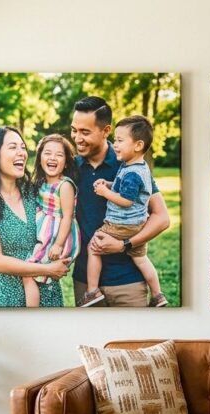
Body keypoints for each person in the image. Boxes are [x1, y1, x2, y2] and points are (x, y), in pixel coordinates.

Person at [70, 96, 171, 307]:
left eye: (85, 132)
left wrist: (124, 245)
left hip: (128, 282)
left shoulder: (129, 165)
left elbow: (162, 218)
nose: (77, 138)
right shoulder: (71, 168)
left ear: (106, 131)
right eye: (74, 130)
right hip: (85, 282)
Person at [0, 126, 70, 307]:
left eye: (23, 147)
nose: (22, 153)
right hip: (9, 298)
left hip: (49, 293)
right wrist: (47, 269)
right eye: (13, 147)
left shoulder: (34, 192)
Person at [23, 134, 81, 307]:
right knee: (34, 273)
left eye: (59, 155)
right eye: (47, 153)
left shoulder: (65, 185)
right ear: (40, 157)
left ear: (66, 161)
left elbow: (67, 216)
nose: (52, 158)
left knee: (28, 271)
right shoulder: (41, 182)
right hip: (47, 231)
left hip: (58, 235)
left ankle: (32, 313)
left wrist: (58, 244)